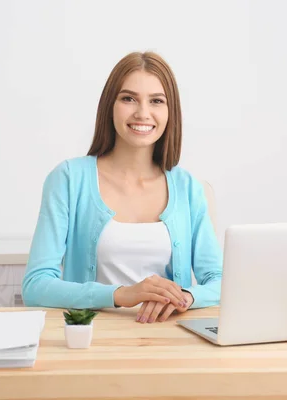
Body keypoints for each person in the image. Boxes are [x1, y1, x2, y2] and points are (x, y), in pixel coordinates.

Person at [22, 51, 222, 323]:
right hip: (91, 340)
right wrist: (121, 294)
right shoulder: (68, 179)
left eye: (156, 101)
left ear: (170, 111)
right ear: (110, 106)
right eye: (128, 98)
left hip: (168, 341)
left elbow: (219, 281)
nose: (143, 113)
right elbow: (35, 286)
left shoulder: (188, 188)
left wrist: (186, 296)